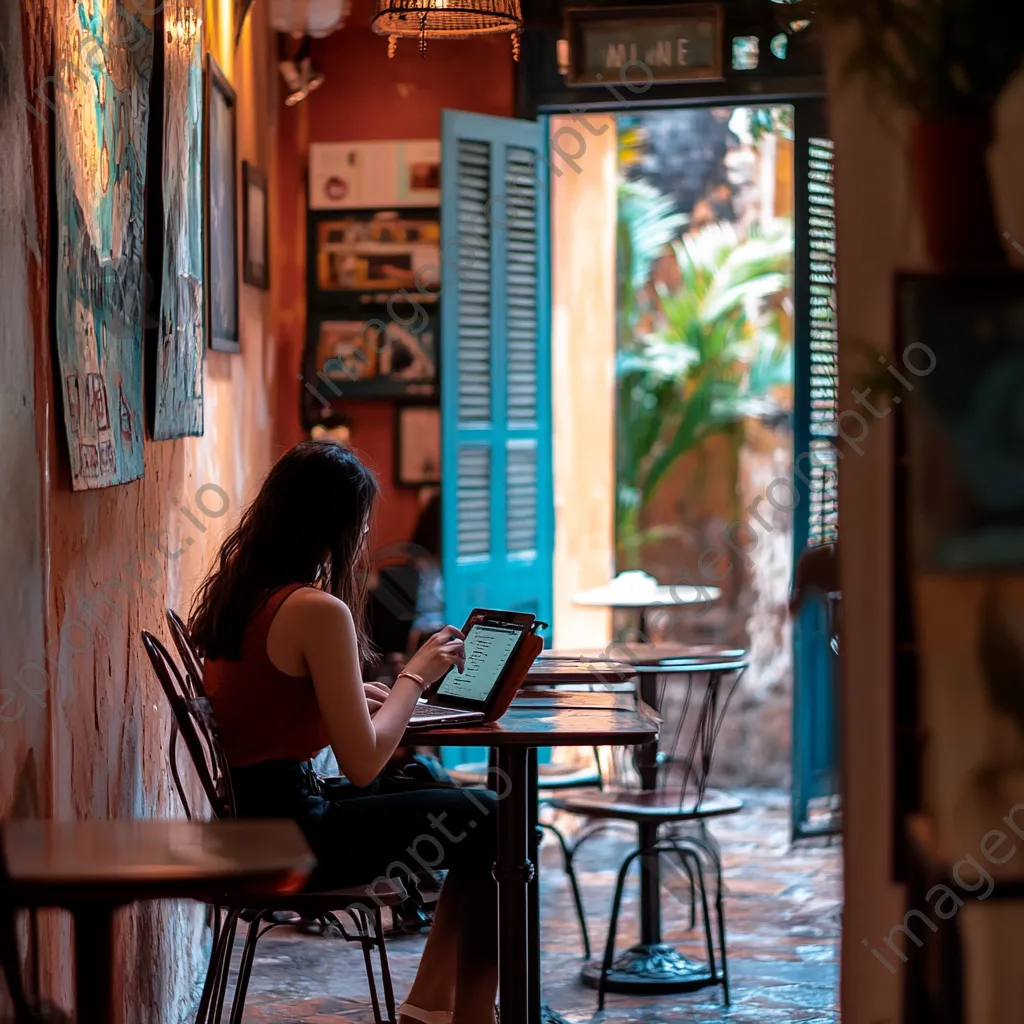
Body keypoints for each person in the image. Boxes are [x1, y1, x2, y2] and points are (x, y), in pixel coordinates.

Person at [189, 440, 498, 1024]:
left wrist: (352, 697)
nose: (362, 540)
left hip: (249, 823)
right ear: (334, 524)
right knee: (492, 818)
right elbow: (361, 764)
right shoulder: (317, 610)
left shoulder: (247, 594)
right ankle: (468, 1012)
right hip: (293, 839)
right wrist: (414, 676)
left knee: (432, 782)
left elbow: (267, 697)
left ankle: (436, 1005)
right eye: (360, 522)